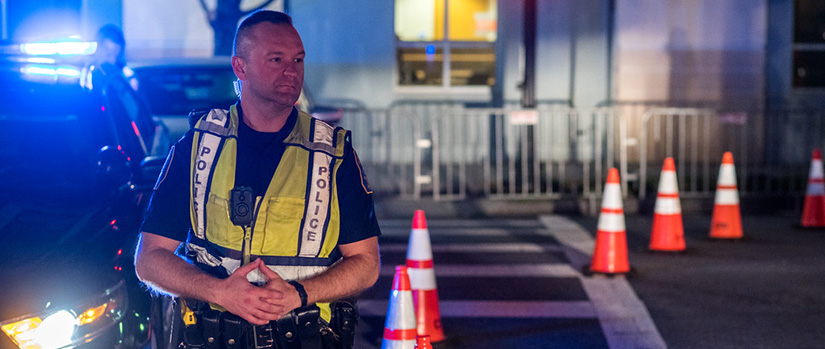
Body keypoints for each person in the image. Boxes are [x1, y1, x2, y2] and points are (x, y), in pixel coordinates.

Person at [134, 10, 381, 348]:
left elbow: (366, 264)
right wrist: (220, 291)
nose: (291, 70)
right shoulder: (199, 147)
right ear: (240, 67)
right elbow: (149, 259)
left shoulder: (333, 154)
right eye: (276, 58)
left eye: (297, 59)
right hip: (213, 338)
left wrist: (299, 294)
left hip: (304, 337)